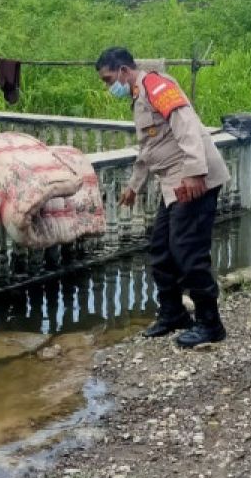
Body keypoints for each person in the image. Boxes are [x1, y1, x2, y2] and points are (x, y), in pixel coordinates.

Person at [95, 47, 231, 348]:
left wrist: (195, 171)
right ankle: (173, 312)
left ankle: (211, 324)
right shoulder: (140, 95)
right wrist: (134, 186)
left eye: (108, 79)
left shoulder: (157, 86)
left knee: (188, 250)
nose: (108, 86)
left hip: (194, 178)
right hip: (174, 181)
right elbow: (149, 148)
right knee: (161, 249)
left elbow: (187, 126)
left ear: (123, 70)